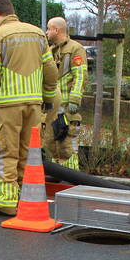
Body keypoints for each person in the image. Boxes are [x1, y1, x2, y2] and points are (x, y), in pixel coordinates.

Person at [0, 0, 59, 216]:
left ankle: (5, 201)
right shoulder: (37, 34)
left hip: (7, 106)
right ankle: (25, 196)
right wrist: (49, 97)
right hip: (34, 104)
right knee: (27, 152)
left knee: (6, 152)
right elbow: (51, 70)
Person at [45, 16, 87, 170]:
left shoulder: (75, 49)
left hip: (68, 107)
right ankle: (60, 176)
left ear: (56, 30)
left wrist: (74, 100)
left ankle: (71, 176)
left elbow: (80, 75)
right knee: (52, 143)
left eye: (49, 28)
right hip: (54, 107)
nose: (47, 32)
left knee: (67, 144)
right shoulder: (50, 50)